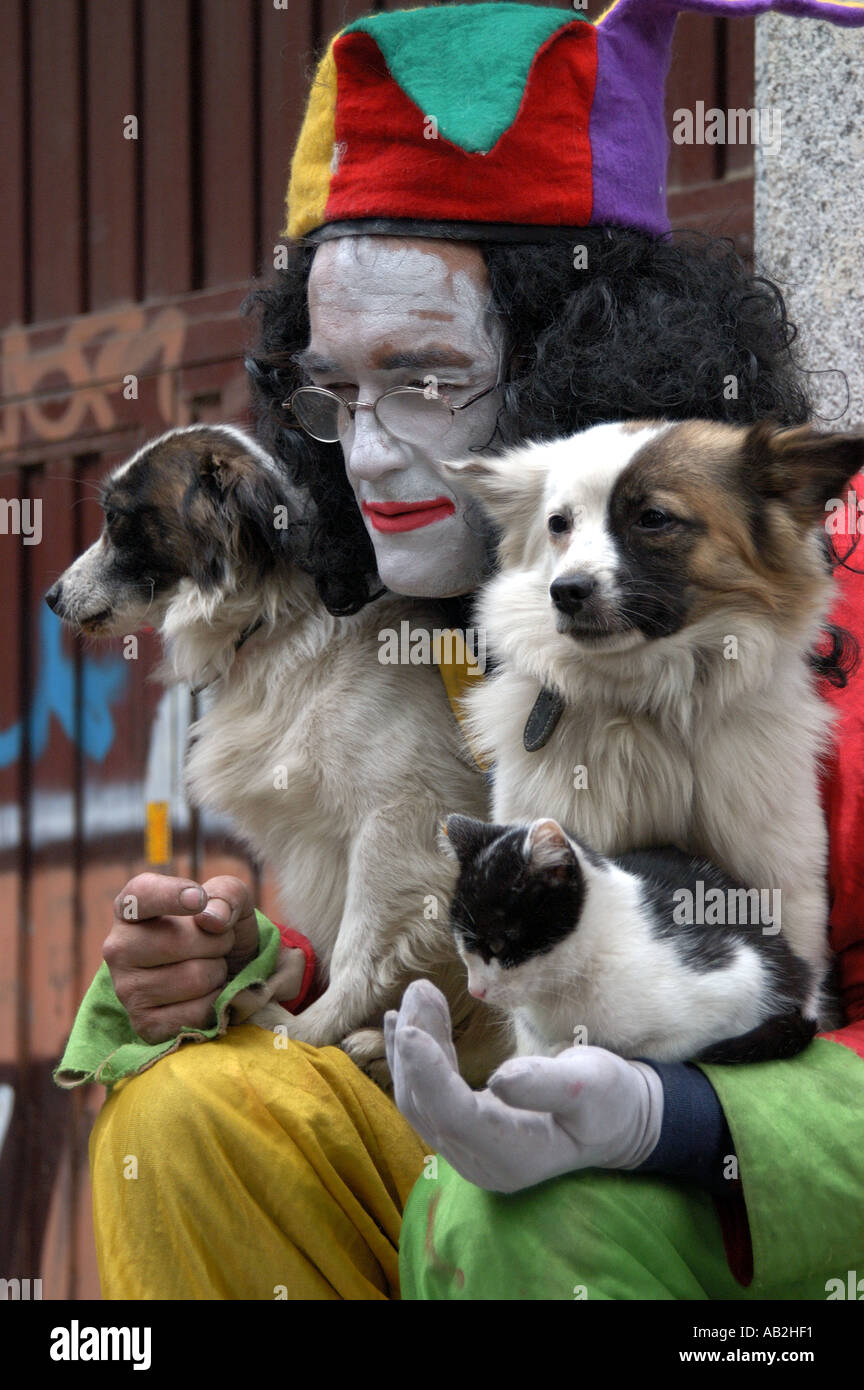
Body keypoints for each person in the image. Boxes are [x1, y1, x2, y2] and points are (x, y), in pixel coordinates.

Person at [57, 0, 864, 1300]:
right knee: (189, 1119)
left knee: (549, 1218)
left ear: (571, 365)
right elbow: (455, 949)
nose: (367, 456)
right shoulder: (417, 613)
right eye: (336, 391)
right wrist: (243, 965)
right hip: (467, 1159)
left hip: (762, 1237)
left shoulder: (816, 608)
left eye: (425, 381)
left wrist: (693, 1127)